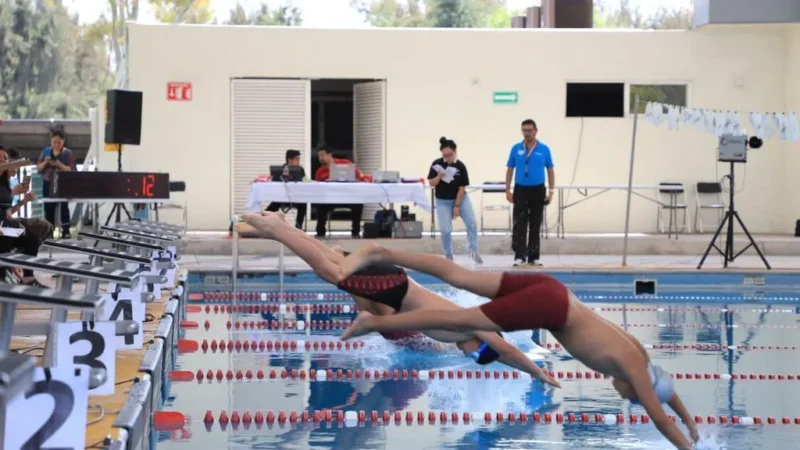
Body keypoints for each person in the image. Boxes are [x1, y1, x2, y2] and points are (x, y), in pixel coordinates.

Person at [337, 243, 699, 450]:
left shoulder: (641, 357)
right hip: (552, 309)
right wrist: (685, 443)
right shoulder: (633, 370)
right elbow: (659, 415)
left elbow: (664, 391)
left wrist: (690, 422)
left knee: (459, 276)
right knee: (462, 321)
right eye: (629, 395)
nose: (622, 393)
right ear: (637, 387)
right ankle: (376, 323)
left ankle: (380, 253)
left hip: (555, 290)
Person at [235, 211, 559, 387]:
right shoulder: (476, 327)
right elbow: (507, 351)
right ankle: (277, 230)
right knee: (333, 273)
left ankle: (282, 228)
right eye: (477, 354)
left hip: (396, 287)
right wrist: (537, 372)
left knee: (334, 262)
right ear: (483, 345)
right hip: (396, 287)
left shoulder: (461, 337)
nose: (470, 354)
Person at [505, 119, 555, 267]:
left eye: (529, 130)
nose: (527, 133)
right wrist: (507, 189)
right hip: (520, 190)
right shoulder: (516, 148)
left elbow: (550, 170)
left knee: (535, 223)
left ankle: (533, 256)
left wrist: (551, 191)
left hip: (538, 190)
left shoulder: (544, 149)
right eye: (524, 130)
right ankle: (519, 256)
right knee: (519, 223)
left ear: (536, 131)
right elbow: (509, 169)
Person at [0, 148, 52, 286]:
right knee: (8, 234)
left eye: (5, 158)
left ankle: (28, 278)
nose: (3, 161)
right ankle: (2, 275)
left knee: (31, 237)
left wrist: (23, 201)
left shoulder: (5, 186)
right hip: (3, 230)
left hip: (5, 226)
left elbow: (8, 213)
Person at [428, 137, 481, 263]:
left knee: (472, 223)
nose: (447, 158)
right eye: (445, 155)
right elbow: (431, 183)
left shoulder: (460, 166)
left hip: (460, 199)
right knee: (445, 230)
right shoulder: (437, 164)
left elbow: (462, 188)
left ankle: (472, 249)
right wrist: (439, 176)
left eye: (450, 155)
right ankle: (448, 255)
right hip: (442, 201)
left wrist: (456, 206)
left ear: (455, 151)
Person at [314, 147, 365, 238]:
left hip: (347, 197)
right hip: (330, 198)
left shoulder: (345, 163)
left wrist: (353, 180)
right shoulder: (319, 171)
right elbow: (318, 188)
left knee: (358, 204)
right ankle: (320, 232)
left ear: (330, 155)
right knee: (320, 204)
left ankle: (355, 232)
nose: (320, 158)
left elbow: (359, 176)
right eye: (319, 156)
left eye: (322, 155)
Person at [37, 128, 75, 239]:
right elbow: (38, 168)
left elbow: (71, 170)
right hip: (48, 182)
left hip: (63, 184)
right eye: (54, 142)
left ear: (63, 141)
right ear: (51, 141)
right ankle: (49, 233)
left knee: (64, 208)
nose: (56, 144)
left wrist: (59, 165)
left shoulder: (68, 153)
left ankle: (66, 232)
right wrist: (45, 162)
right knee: (48, 208)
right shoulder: (46, 151)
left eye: (59, 142)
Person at [265, 149, 307, 229]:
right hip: (282, 197)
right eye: (297, 159)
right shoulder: (280, 170)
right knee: (273, 205)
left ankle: (298, 227)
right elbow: (274, 183)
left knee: (303, 204)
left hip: (296, 197)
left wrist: (307, 180)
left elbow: (305, 180)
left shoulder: (300, 170)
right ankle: (261, 221)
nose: (299, 161)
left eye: (299, 159)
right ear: (289, 160)